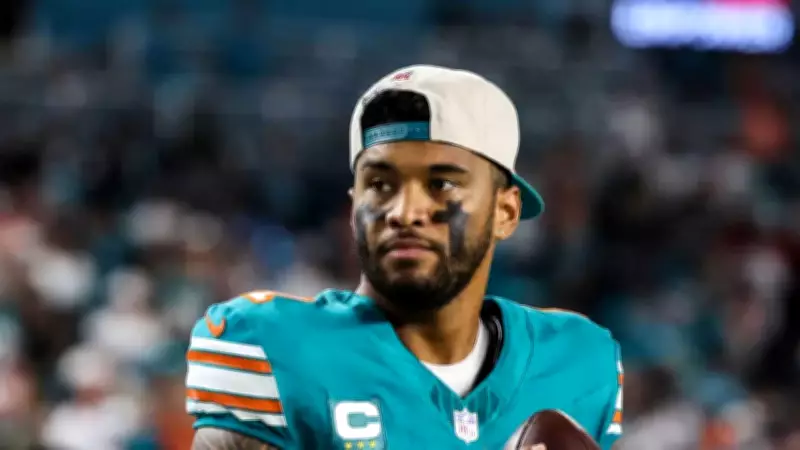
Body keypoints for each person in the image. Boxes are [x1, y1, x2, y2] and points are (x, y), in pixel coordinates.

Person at [186, 65, 623, 450]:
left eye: (441, 184)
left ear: (505, 213)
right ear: (354, 207)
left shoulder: (578, 361)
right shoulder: (273, 347)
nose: (404, 211)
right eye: (380, 184)